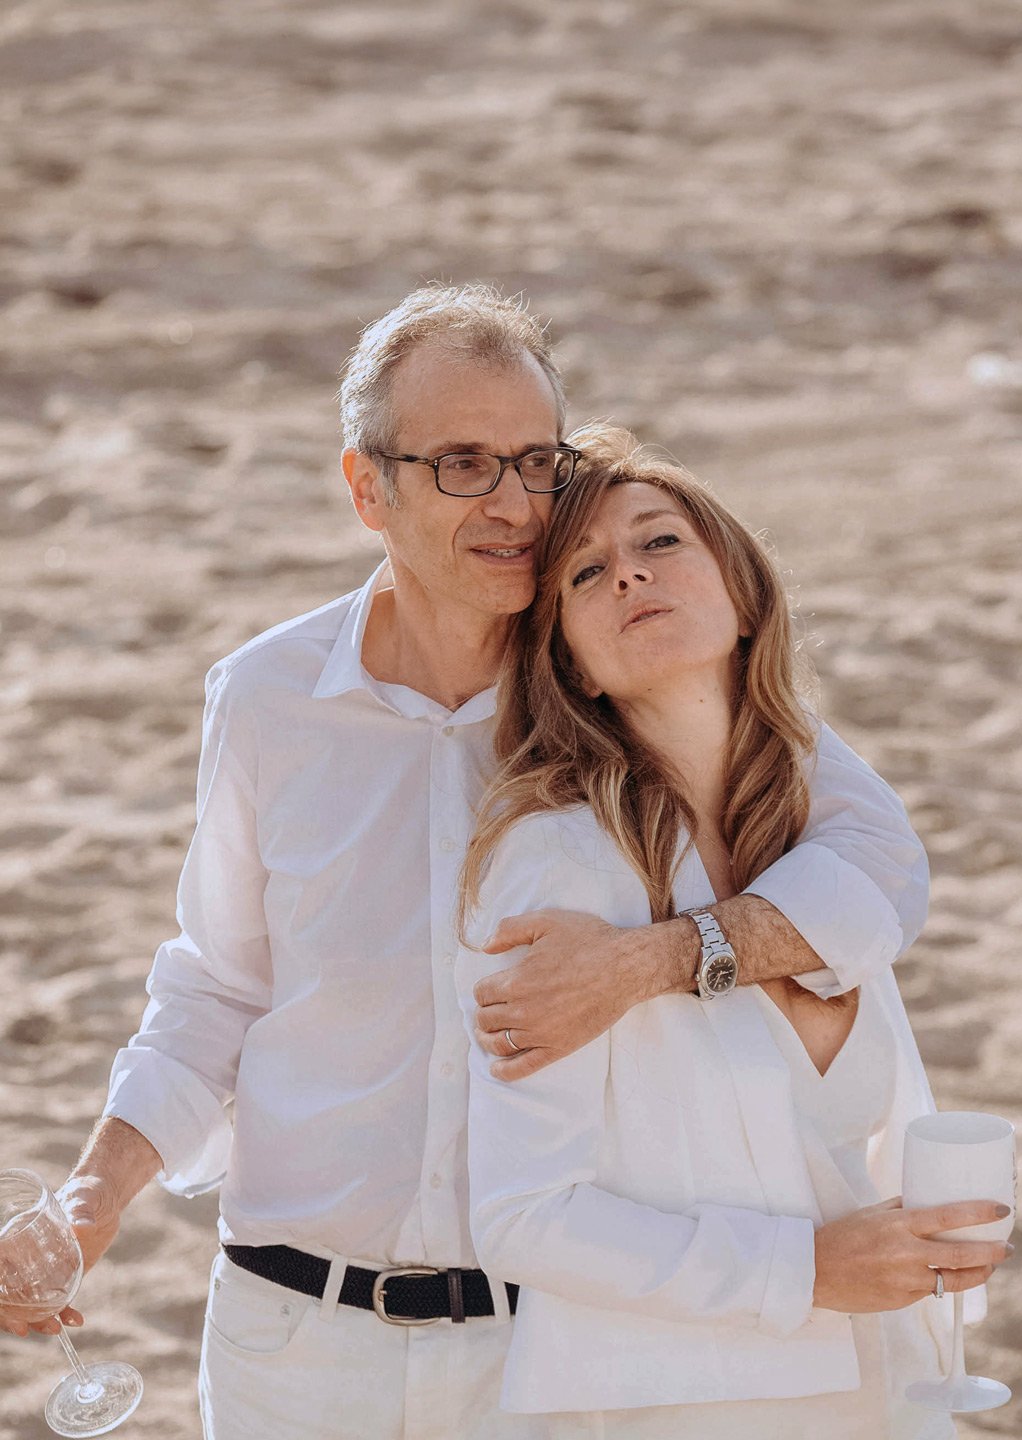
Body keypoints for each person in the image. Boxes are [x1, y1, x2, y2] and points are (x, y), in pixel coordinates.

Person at [4, 287, 933, 1440]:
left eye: (536, 462)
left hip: (539, 1346)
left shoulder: (620, 683)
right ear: (366, 488)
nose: (513, 505)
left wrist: (650, 961)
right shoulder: (264, 698)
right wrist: (87, 1207)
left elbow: (881, 864)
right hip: (288, 1334)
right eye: (461, 464)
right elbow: (215, 986)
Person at [456, 425, 1011, 1439]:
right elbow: (521, 1217)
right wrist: (803, 1272)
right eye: (587, 573)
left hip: (877, 1381)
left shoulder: (820, 824)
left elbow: (896, 877)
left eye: (660, 542)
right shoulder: (556, 864)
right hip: (673, 1402)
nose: (628, 574)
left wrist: (657, 962)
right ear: (571, 664)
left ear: (745, 592)